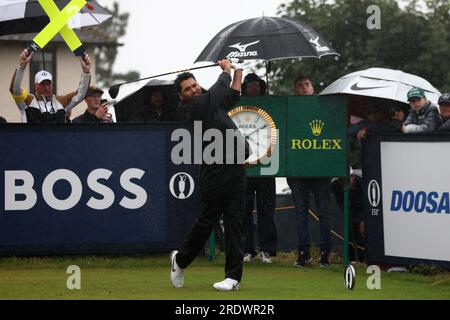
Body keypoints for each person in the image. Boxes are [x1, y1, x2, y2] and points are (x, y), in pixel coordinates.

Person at [170, 59, 248, 291]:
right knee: (206, 224)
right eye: (188, 88)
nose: (194, 89)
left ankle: (232, 278)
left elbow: (233, 96)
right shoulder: (194, 108)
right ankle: (180, 260)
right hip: (215, 173)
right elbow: (218, 91)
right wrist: (225, 71)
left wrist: (239, 70)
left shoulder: (209, 103)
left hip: (235, 168)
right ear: (181, 96)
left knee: (235, 223)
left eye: (194, 85)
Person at [287, 75, 333, 267]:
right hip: (298, 170)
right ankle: (303, 253)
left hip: (320, 168)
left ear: (312, 86)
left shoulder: (324, 106)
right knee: (300, 213)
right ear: (295, 90)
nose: (304, 88)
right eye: (300, 86)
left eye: (307, 84)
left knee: (324, 211)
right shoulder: (290, 108)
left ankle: (325, 254)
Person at [241, 73, 277, 263]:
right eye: (250, 85)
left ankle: (267, 250)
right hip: (245, 167)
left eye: (257, 85)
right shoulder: (237, 106)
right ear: (244, 88)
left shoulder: (270, 105)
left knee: (266, 211)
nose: (254, 88)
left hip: (266, 165)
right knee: (244, 210)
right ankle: (247, 249)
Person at [10, 49, 91, 123]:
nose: (46, 87)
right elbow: (15, 90)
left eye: (48, 84)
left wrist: (86, 72)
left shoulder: (61, 101)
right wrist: (21, 66)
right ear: (35, 86)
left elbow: (81, 94)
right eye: (42, 84)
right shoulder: (28, 101)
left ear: (52, 85)